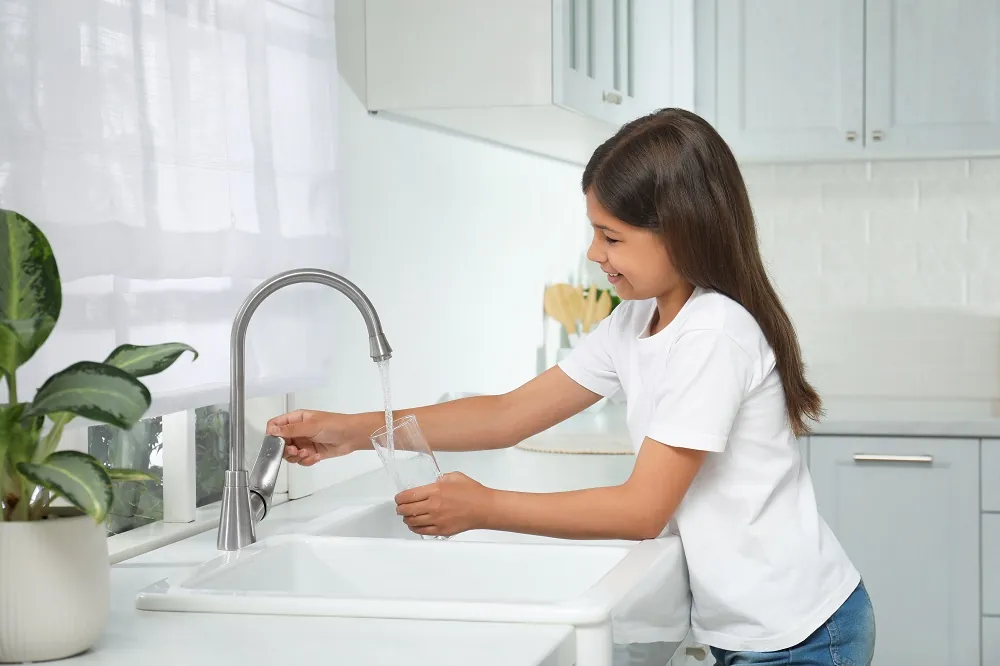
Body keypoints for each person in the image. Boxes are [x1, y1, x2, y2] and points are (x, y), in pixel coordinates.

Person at [266, 108, 876, 666]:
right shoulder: (637, 318)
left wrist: (486, 508)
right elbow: (509, 415)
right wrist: (351, 430)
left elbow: (642, 510)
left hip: (802, 636)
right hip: (753, 630)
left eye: (612, 237)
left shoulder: (713, 333)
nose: (594, 253)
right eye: (595, 232)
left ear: (683, 230)